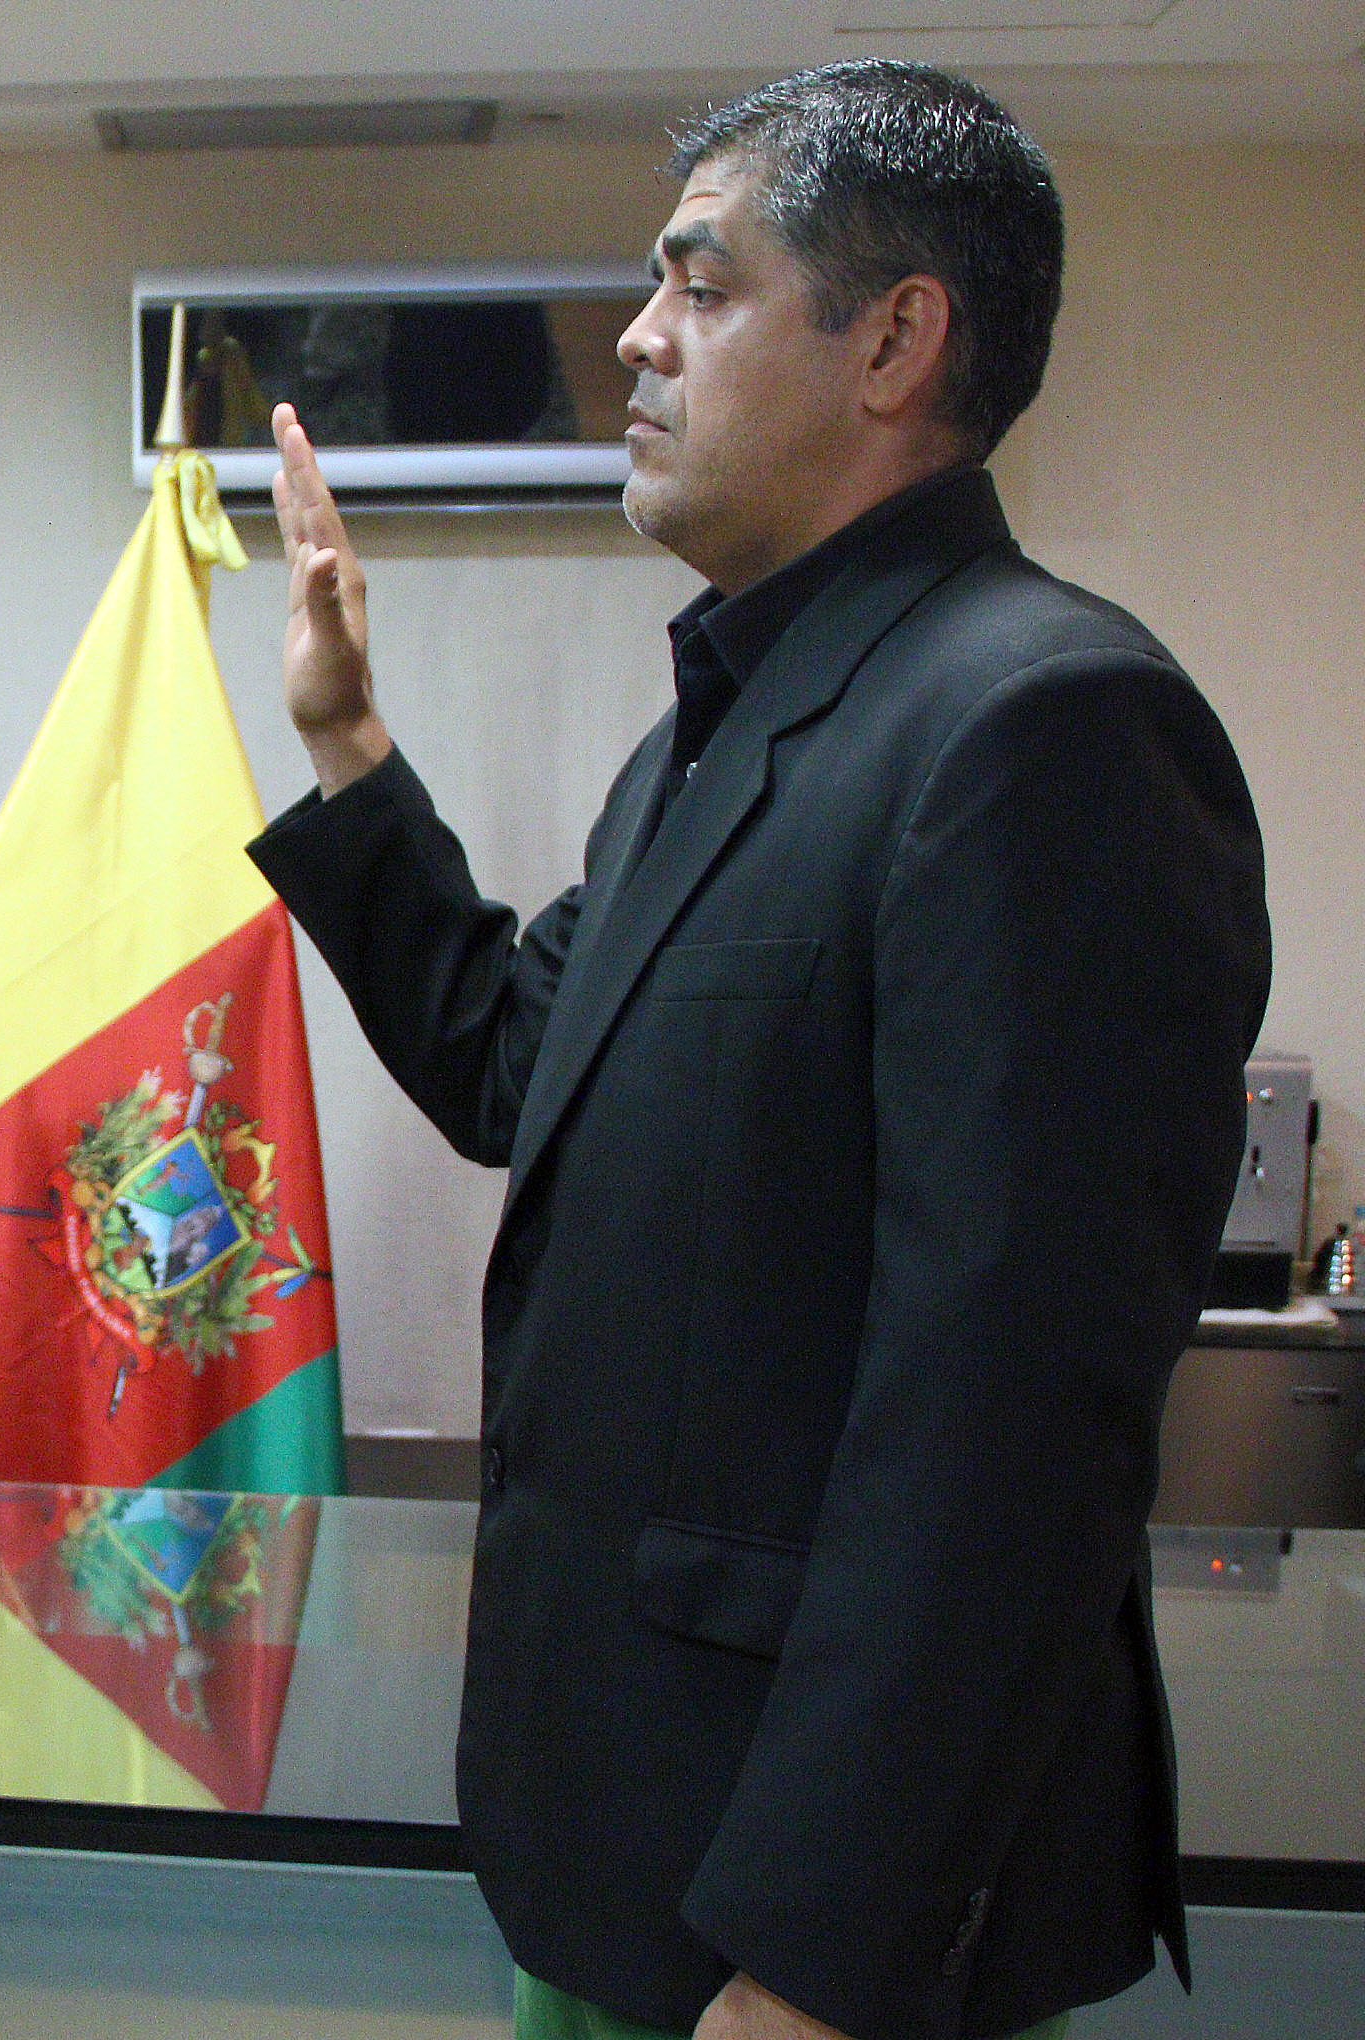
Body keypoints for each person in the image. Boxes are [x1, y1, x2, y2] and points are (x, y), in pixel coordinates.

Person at [247, 62, 1268, 2040]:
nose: (632, 338)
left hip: (808, 1937)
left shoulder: (1043, 727)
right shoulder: (716, 738)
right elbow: (507, 1070)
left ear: (894, 338)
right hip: (620, 1857)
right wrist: (347, 741)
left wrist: (817, 1956)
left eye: (699, 288)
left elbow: (1007, 1440)